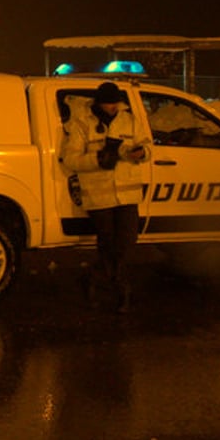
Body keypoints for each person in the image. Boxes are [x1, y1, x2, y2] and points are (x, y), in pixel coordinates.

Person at [60, 81, 151, 312]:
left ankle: (94, 278)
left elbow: (146, 145)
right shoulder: (82, 123)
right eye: (109, 103)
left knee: (127, 243)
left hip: (127, 195)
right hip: (99, 196)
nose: (113, 107)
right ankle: (122, 291)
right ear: (99, 103)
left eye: (115, 103)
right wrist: (98, 160)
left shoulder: (128, 120)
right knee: (108, 244)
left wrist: (141, 153)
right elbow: (70, 159)